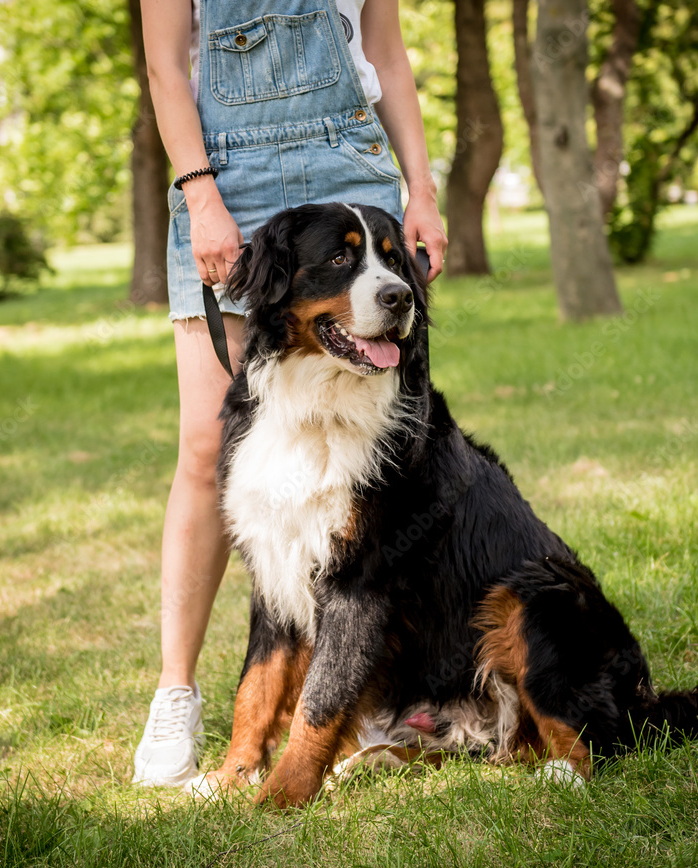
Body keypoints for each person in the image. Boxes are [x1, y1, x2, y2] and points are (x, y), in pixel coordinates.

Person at [132, 0, 447, 786]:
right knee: (212, 445)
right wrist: (200, 195)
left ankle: (371, 689)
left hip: (353, 168)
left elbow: (387, 56)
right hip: (227, 181)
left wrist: (423, 190)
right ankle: (177, 691)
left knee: (367, 459)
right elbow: (167, 66)